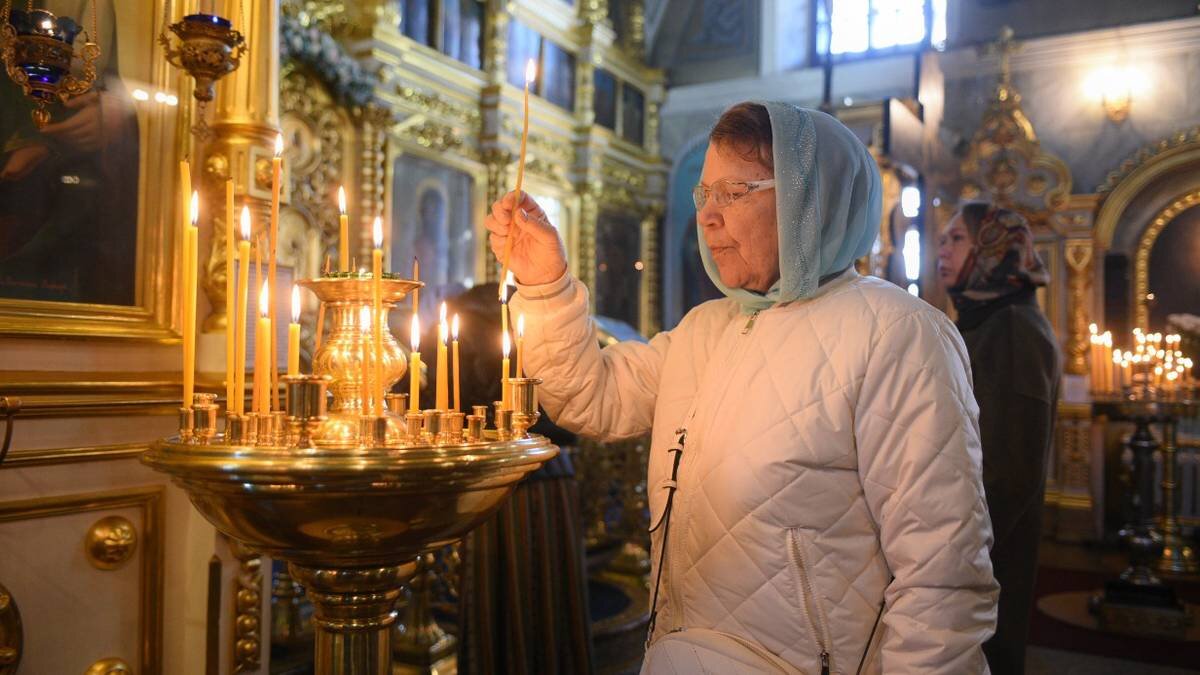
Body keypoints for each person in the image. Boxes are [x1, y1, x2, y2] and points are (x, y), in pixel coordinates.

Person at [486, 101, 999, 673]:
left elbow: (941, 579)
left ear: (812, 198)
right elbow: (592, 397)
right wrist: (546, 284)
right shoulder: (707, 330)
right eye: (704, 195)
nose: (707, 217)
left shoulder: (897, 334)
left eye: (735, 192)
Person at [938, 203, 1061, 675]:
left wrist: (953, 557)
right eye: (944, 240)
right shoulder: (987, 319)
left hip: (983, 556)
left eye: (957, 240)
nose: (942, 252)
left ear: (994, 248)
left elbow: (1006, 473)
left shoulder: (1012, 329)